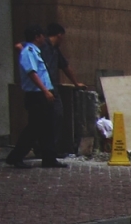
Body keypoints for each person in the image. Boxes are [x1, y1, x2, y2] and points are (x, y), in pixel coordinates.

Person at [7, 26, 64, 168]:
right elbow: (32, 73)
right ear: (37, 37)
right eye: (42, 36)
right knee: (34, 128)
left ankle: (49, 158)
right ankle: (16, 156)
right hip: (36, 95)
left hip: (42, 94)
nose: (44, 39)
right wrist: (45, 90)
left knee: (47, 127)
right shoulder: (29, 52)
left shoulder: (35, 51)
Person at [44, 23, 83, 156]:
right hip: (45, 88)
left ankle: (49, 149)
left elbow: (65, 67)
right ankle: (49, 150)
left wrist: (76, 83)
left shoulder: (55, 50)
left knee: (54, 117)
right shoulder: (42, 46)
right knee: (54, 116)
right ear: (59, 35)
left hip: (50, 87)